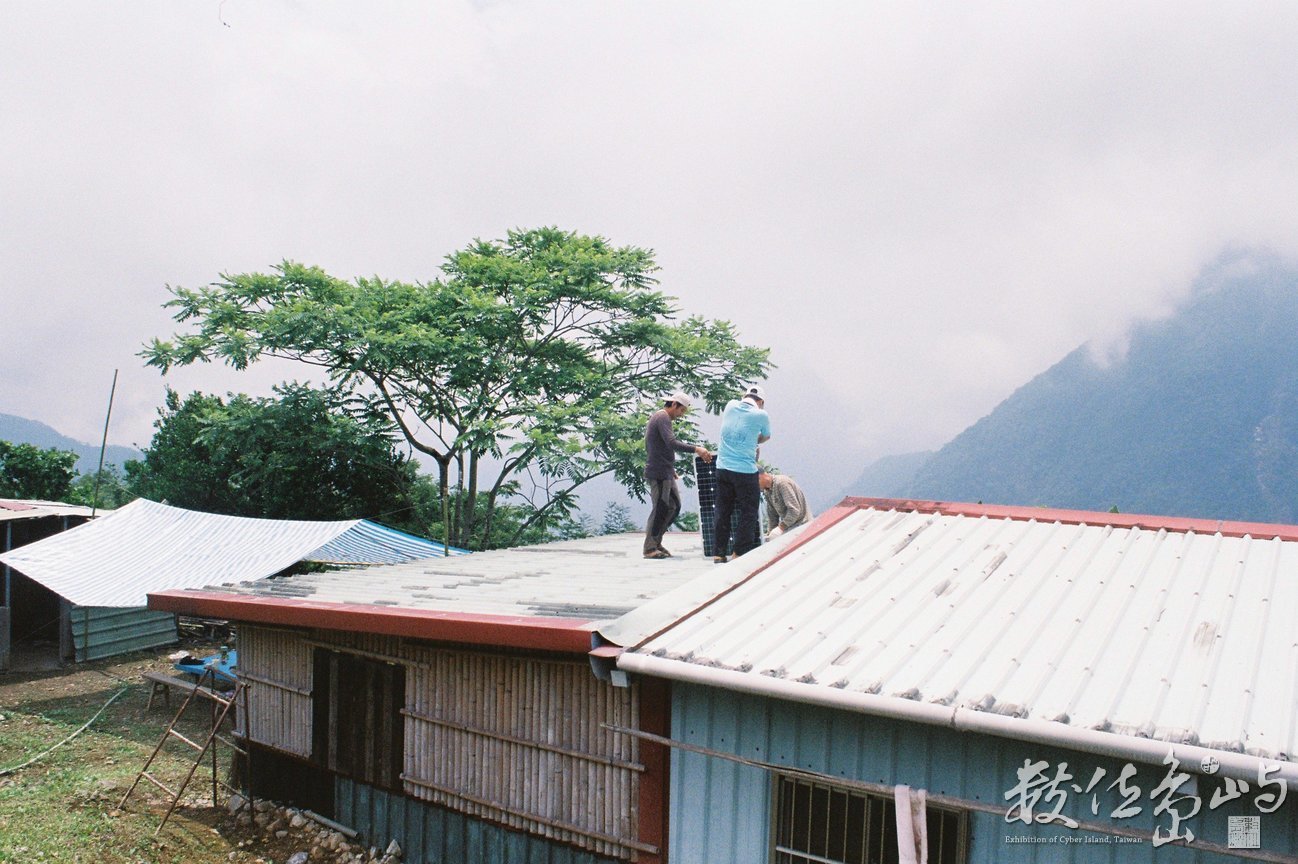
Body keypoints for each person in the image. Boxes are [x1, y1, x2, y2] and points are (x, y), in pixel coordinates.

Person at [643, 391, 712, 559]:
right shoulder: (662, 417)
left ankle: (656, 542)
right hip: (658, 471)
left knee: (673, 507)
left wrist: (670, 466)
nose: (681, 415)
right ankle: (649, 548)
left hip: (665, 469)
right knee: (660, 508)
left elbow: (656, 445)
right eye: (681, 411)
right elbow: (671, 442)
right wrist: (697, 449)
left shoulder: (662, 419)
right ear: (674, 405)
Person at [713, 384, 770, 562]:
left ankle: (719, 553)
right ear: (760, 402)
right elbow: (766, 436)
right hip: (745, 471)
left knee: (723, 510)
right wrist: (754, 441)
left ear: (744, 396)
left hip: (722, 468)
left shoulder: (730, 406)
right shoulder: (761, 414)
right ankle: (739, 552)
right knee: (749, 511)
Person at [759, 471, 812, 538]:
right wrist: (771, 533)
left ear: (760, 477)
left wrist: (780, 528)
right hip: (790, 528)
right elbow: (773, 516)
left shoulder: (782, 483)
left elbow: (794, 511)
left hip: (802, 526)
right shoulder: (767, 491)